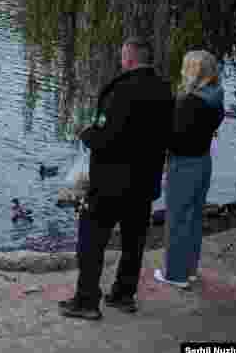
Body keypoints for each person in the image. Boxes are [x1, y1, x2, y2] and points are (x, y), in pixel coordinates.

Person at [60, 37, 174, 320]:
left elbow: (107, 137)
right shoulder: (163, 90)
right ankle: (123, 295)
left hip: (111, 183)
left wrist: (86, 135)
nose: (121, 62)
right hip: (144, 182)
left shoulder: (120, 91)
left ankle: (86, 301)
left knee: (91, 240)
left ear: (130, 59)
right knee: (134, 242)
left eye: (123, 57)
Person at [156, 50, 224, 289]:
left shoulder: (188, 102)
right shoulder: (215, 95)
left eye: (186, 67)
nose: (182, 71)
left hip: (183, 163)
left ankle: (175, 274)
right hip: (203, 161)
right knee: (193, 217)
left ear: (194, 72)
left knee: (176, 219)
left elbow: (176, 139)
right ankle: (190, 269)